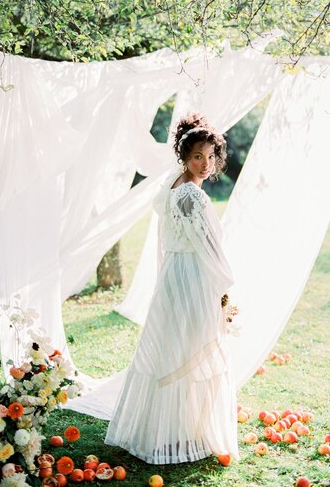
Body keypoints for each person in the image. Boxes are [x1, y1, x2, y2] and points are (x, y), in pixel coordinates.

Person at [105, 113, 239, 464]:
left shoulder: (172, 187)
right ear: (184, 157)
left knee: (175, 346)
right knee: (190, 346)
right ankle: (183, 432)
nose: (205, 164)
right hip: (193, 275)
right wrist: (223, 290)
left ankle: (178, 427)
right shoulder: (192, 196)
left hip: (174, 275)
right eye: (198, 157)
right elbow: (209, 247)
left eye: (211, 157)